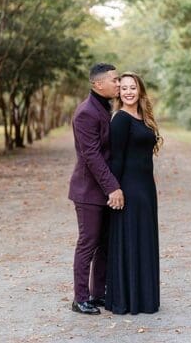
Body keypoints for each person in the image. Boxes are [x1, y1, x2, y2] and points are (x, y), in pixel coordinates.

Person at [104, 72, 163, 315]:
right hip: (128, 188)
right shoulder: (120, 119)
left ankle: (145, 298)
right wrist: (114, 189)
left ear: (140, 91)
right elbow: (116, 158)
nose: (128, 92)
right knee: (130, 239)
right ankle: (127, 299)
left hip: (146, 188)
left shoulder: (143, 117)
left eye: (133, 87)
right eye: (124, 88)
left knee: (144, 239)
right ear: (119, 92)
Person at [69, 63, 125, 315]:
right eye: (114, 80)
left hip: (102, 189)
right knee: (88, 242)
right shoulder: (85, 113)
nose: (118, 83)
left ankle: (97, 294)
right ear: (97, 84)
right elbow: (91, 156)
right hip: (88, 191)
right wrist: (113, 188)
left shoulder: (105, 107)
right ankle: (79, 298)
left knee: (104, 243)